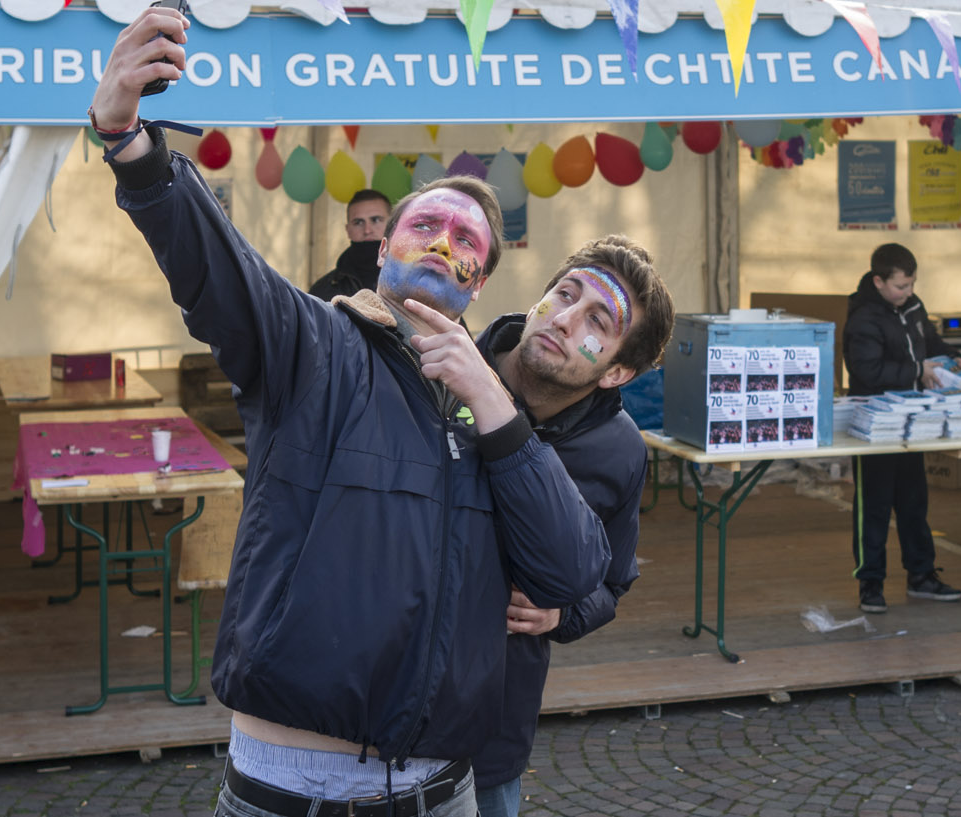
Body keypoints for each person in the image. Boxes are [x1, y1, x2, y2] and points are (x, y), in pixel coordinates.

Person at [90, 10, 610, 817]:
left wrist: (494, 407)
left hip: (447, 791)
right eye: (425, 223)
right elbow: (219, 268)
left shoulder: (494, 408)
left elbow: (576, 572)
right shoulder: (314, 344)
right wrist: (131, 146)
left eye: (464, 237)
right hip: (293, 791)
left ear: (476, 284)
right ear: (382, 249)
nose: (443, 241)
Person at [469, 237, 675, 817]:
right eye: (563, 295)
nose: (563, 320)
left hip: (491, 729)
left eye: (597, 320)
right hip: (371, 716)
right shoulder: (439, 371)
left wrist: (563, 614)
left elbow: (613, 582)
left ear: (619, 371)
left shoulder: (619, 450)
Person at [842, 243, 961, 613]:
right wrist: (916, 372)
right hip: (875, 424)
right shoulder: (862, 318)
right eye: (900, 286)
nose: (908, 292)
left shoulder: (913, 307)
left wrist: (949, 357)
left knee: (914, 503)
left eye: (911, 284)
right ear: (878, 281)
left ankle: (922, 575)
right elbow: (866, 371)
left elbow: (929, 340)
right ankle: (871, 583)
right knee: (874, 506)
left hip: (912, 422)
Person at [308, 189, 392, 300]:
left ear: (392, 224)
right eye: (358, 222)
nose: (367, 230)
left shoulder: (413, 280)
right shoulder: (323, 291)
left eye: (375, 220)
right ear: (348, 230)